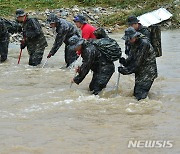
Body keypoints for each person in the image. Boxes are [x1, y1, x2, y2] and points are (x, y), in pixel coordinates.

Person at [118, 27, 157, 100]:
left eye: (130, 38)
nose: (129, 40)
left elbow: (137, 63)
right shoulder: (133, 43)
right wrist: (125, 62)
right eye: (128, 39)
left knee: (140, 96)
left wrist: (126, 71)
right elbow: (132, 58)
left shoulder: (144, 44)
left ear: (135, 36)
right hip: (140, 72)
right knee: (136, 93)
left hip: (148, 72)